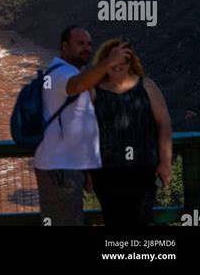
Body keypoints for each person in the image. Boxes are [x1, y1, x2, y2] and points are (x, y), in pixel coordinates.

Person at [34, 26, 131, 225]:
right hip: (59, 169)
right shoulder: (62, 74)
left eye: (89, 44)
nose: (86, 48)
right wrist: (109, 62)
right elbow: (77, 85)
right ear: (64, 46)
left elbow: (75, 126)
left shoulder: (65, 71)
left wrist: (85, 167)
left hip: (67, 166)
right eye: (80, 44)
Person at [89, 38, 172, 226]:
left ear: (131, 63)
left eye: (124, 61)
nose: (118, 65)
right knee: (114, 221)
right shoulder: (93, 91)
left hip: (142, 169)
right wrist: (86, 168)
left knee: (141, 220)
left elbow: (164, 123)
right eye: (113, 60)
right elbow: (84, 131)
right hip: (106, 172)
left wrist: (165, 162)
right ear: (104, 61)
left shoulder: (146, 86)